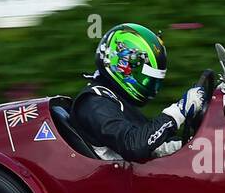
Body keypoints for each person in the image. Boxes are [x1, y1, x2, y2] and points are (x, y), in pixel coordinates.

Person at [71, 23, 211, 162]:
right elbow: (133, 146)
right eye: (148, 78)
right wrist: (180, 110)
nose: (152, 86)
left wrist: (183, 146)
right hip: (112, 182)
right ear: (123, 64)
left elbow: (148, 139)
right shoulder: (94, 103)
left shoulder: (115, 98)